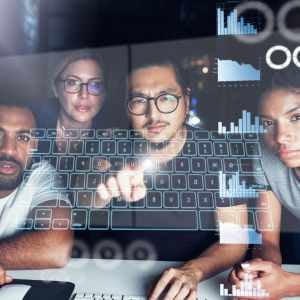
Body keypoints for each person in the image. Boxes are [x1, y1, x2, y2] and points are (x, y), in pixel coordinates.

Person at [96, 58, 249, 300]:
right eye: (139, 101)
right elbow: (82, 195)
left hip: (196, 284)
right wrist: (99, 189)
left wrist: (193, 271)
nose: (153, 114)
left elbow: (235, 241)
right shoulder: (109, 146)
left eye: (166, 98)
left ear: (186, 102)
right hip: (114, 279)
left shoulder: (219, 152)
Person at [229, 68, 300, 299]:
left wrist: (290, 285)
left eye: (296, 117)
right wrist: (260, 272)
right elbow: (268, 239)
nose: (280, 136)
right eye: (268, 122)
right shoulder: (264, 153)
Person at [0, 99, 73, 284]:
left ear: (34, 146)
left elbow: (57, 248)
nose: (8, 149)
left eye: (23, 137)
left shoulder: (40, 175)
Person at [39, 49, 106, 143]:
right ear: (55, 88)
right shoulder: (32, 124)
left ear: (104, 94)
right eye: (72, 82)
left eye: (95, 84)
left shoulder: (111, 138)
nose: (84, 95)